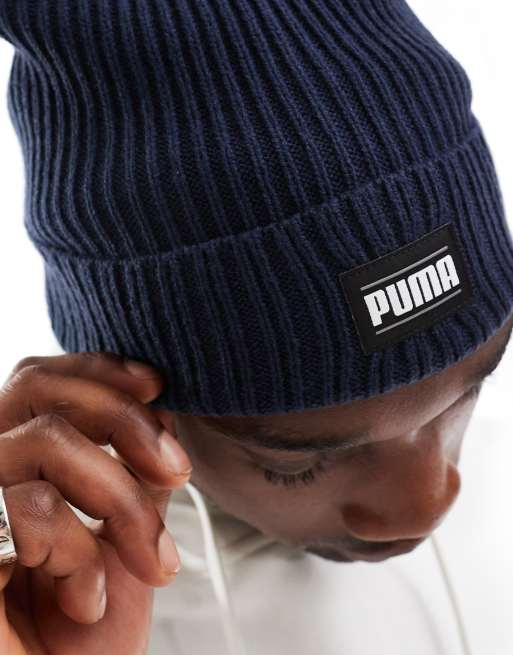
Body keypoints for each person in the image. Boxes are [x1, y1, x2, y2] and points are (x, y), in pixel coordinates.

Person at [0, 1, 512, 654]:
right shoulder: (45, 603)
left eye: (472, 387)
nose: (429, 500)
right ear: (112, 394)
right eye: (296, 462)